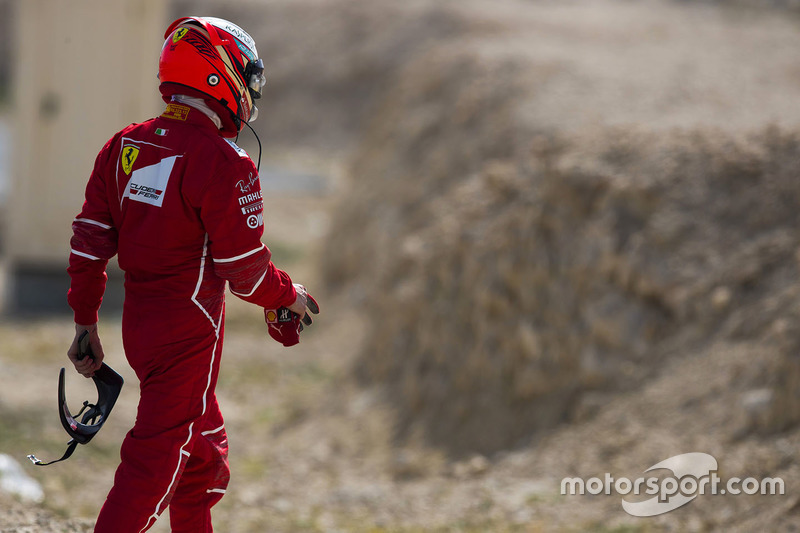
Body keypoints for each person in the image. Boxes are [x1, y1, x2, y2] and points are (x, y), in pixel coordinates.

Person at [65, 16, 318, 533]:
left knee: (203, 461)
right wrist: (288, 295)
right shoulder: (227, 162)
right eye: (248, 77)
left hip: (142, 331)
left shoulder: (123, 146)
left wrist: (85, 323)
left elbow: (89, 243)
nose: (250, 92)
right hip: (188, 337)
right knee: (154, 467)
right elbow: (245, 272)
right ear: (218, 72)